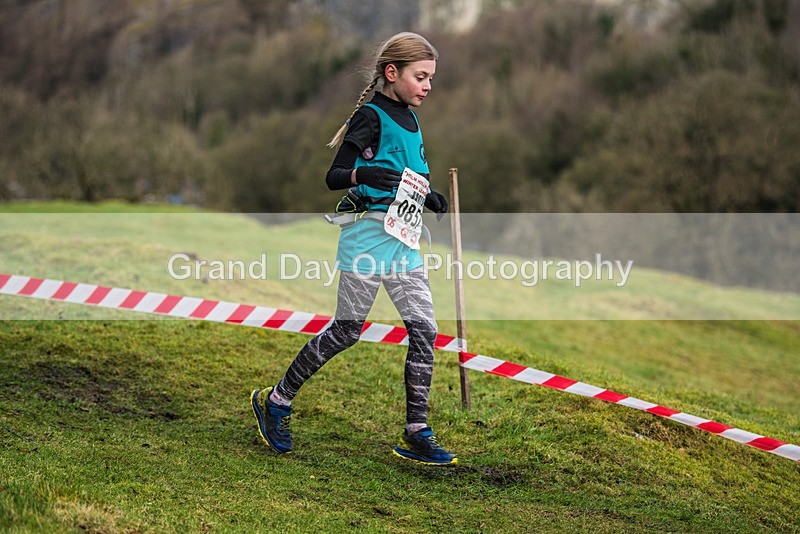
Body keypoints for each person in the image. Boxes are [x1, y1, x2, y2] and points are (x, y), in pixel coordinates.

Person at [250, 32, 456, 466]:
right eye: (421, 77)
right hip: (366, 240)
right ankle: (277, 401)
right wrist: (366, 176)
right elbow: (335, 175)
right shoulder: (370, 116)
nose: (428, 86)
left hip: (404, 244)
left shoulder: (413, 119)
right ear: (392, 73)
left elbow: (404, 177)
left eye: (431, 78)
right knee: (346, 331)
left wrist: (428, 196)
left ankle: (416, 431)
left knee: (425, 330)